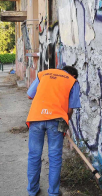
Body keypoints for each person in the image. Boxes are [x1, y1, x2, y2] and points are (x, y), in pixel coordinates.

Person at [26, 66, 81, 196]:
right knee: (55, 157)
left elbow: (29, 95)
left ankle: (32, 191)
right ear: (73, 75)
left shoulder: (43, 74)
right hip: (56, 120)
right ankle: (53, 193)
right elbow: (69, 109)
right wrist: (65, 125)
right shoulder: (72, 81)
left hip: (36, 118)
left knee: (34, 155)